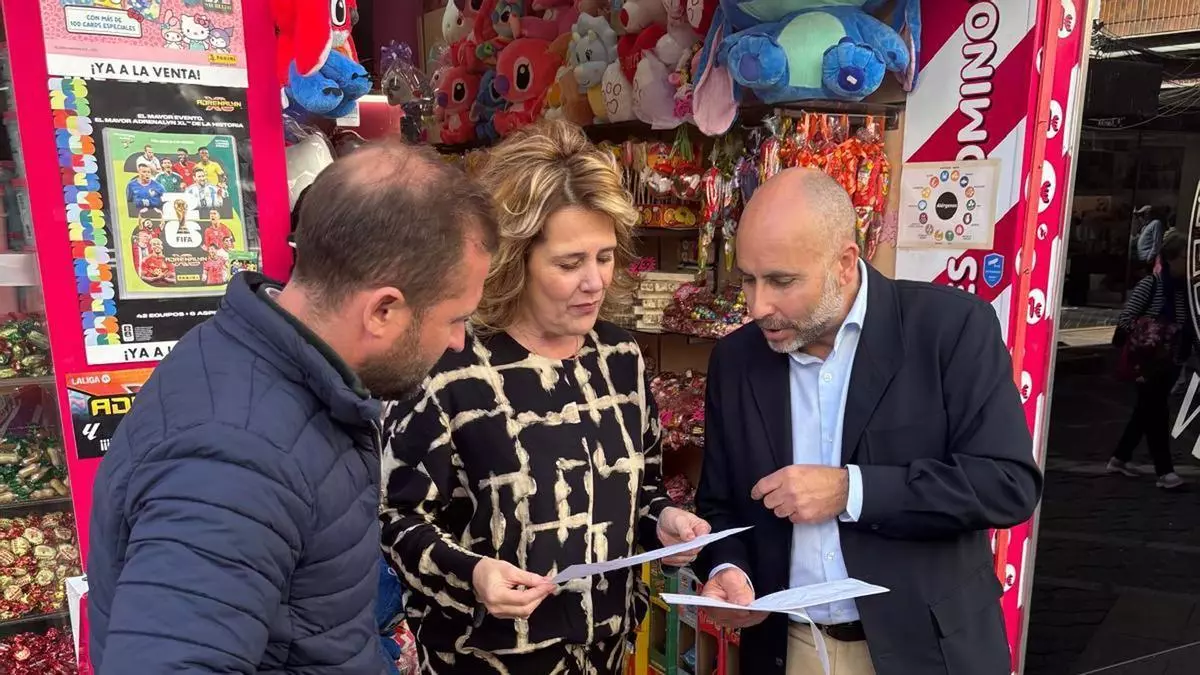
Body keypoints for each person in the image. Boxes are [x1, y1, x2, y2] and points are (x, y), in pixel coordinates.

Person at [86, 140, 499, 674]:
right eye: (455, 318)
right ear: (382, 310)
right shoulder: (238, 459)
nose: (459, 342)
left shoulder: (274, 364)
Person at [380, 119, 711, 675]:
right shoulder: (450, 364)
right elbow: (395, 516)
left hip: (605, 653)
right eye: (569, 263)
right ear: (514, 259)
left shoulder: (620, 357)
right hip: (483, 658)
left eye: (605, 256)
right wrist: (472, 575)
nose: (595, 281)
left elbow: (642, 486)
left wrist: (664, 520)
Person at [695, 168, 1042, 675]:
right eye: (747, 278)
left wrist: (851, 490)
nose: (757, 305)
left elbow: (1006, 484)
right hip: (788, 647)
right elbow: (721, 504)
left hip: (928, 652)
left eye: (781, 281)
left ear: (843, 264)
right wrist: (729, 566)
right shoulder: (736, 360)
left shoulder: (949, 328)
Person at [1109, 229, 1191, 490]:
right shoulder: (1151, 284)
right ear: (1172, 258)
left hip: (1171, 360)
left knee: (1145, 411)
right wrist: (1149, 333)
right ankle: (1165, 472)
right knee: (1157, 412)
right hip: (1147, 361)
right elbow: (1126, 319)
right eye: (1186, 257)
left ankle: (1120, 458)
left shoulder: (1186, 290)